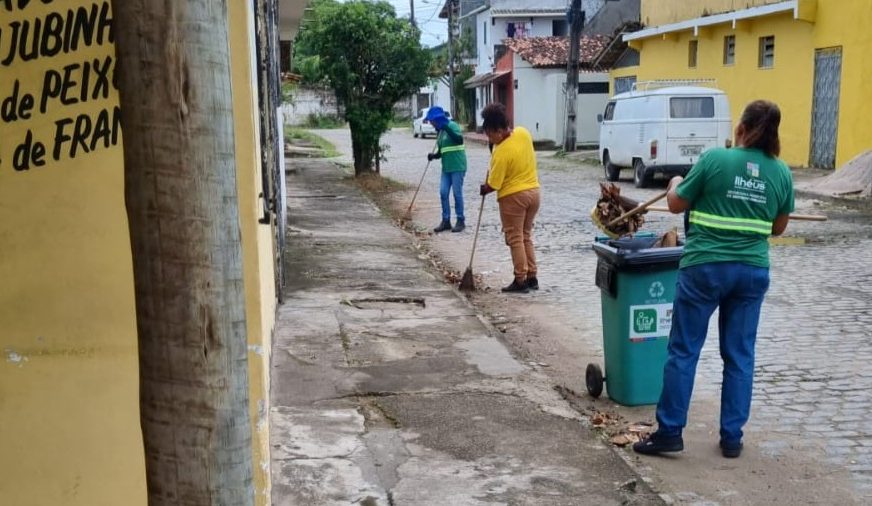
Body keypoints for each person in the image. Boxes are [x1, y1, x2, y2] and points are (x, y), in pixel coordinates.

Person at [633, 100, 794, 459]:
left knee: (684, 349)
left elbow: (676, 205)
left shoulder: (714, 160)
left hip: (705, 268)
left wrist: (676, 182)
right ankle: (732, 437)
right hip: (751, 271)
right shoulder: (781, 172)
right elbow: (778, 227)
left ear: (741, 128)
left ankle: (670, 432)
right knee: (739, 356)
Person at [478, 103, 541, 293]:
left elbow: (494, 184)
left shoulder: (501, 153)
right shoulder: (523, 133)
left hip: (513, 197)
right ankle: (532, 277)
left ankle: (520, 280)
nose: (489, 138)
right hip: (534, 193)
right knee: (525, 235)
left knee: (515, 238)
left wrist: (484, 188)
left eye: (490, 134)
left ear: (497, 130)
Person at [426, 106, 468, 233]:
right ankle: (446, 221)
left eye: (432, 121)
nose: (431, 124)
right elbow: (442, 151)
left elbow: (459, 140)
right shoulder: (440, 133)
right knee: (443, 192)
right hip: (446, 168)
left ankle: (460, 220)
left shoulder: (452, 126)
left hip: (458, 166)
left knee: (457, 193)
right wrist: (434, 156)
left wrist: (446, 127)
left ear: (437, 119)